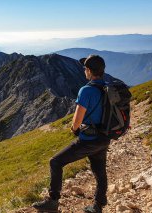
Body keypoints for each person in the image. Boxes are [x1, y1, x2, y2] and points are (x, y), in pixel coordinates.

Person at [32, 55, 111, 213]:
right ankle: (98, 205)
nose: (84, 71)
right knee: (100, 171)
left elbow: (77, 120)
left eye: (85, 68)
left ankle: (53, 201)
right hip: (104, 138)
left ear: (89, 71)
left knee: (55, 162)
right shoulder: (109, 88)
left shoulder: (86, 90)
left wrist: (74, 129)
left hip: (88, 139)